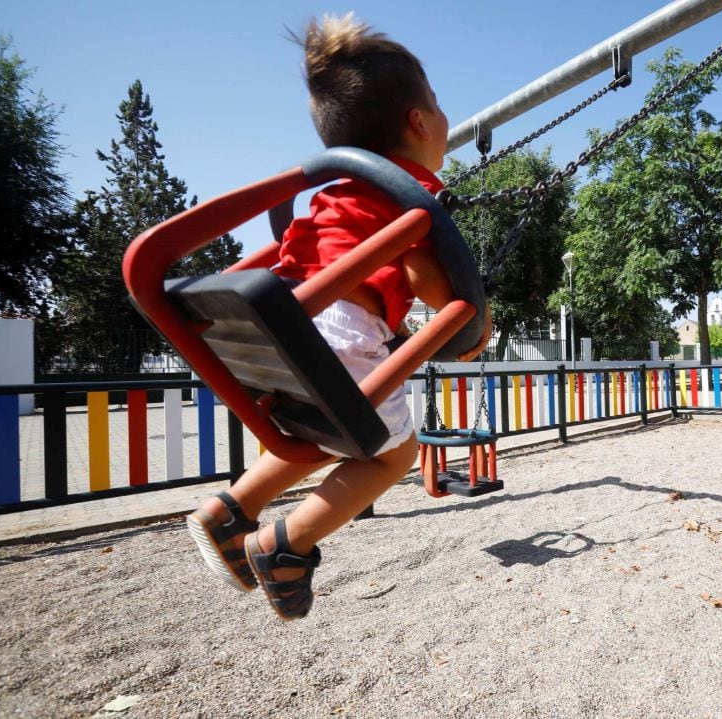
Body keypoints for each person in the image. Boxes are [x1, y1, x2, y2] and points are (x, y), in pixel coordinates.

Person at [185, 14, 491, 621]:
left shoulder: (337, 190)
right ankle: (283, 544)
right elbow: (432, 285)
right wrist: (471, 323)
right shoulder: (407, 191)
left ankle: (227, 511)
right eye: (438, 102)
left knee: (321, 429)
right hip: (342, 327)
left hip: (289, 324)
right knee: (387, 454)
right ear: (420, 121)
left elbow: (357, 265)